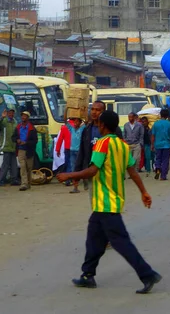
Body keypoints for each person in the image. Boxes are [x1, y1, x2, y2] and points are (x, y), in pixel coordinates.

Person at [56, 110, 162, 293]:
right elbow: (133, 171)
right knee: (94, 239)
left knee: (121, 242)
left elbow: (92, 170)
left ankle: (148, 274)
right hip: (106, 203)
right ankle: (87, 275)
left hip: (106, 202)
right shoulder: (121, 145)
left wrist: (70, 174)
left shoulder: (102, 144)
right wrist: (143, 191)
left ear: (102, 125)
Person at [75, 100, 123, 191]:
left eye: (97, 110)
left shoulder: (113, 130)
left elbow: (119, 149)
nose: (94, 112)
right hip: (91, 171)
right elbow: (82, 152)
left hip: (108, 172)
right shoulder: (87, 130)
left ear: (103, 112)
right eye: (92, 109)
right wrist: (77, 172)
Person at [12, 111, 38, 191]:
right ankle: (24, 184)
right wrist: (17, 140)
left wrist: (26, 142)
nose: (23, 117)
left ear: (28, 118)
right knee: (22, 167)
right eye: (22, 116)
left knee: (29, 168)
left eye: (25, 116)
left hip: (29, 150)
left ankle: (28, 183)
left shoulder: (32, 128)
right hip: (20, 150)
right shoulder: (18, 127)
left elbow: (35, 141)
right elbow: (13, 137)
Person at [0, 108, 20, 186]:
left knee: (14, 164)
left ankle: (14, 179)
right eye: (9, 113)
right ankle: (0, 180)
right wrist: (1, 117)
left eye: (12, 113)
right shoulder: (4, 121)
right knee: (5, 164)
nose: (11, 114)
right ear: (7, 113)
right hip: (6, 146)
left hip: (13, 146)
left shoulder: (15, 122)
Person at [151, 109, 170, 181]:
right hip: (166, 145)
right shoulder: (169, 124)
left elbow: (153, 135)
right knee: (165, 160)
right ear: (167, 116)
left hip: (157, 144)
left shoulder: (156, 124)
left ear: (160, 115)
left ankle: (157, 168)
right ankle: (163, 176)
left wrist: (152, 144)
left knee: (158, 158)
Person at [124, 112, 145, 179]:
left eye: (131, 117)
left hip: (136, 144)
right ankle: (131, 174)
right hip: (128, 145)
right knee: (129, 160)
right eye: (129, 117)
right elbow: (124, 134)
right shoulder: (126, 125)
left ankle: (135, 172)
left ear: (134, 117)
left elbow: (142, 135)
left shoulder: (139, 125)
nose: (130, 118)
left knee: (136, 159)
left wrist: (140, 143)